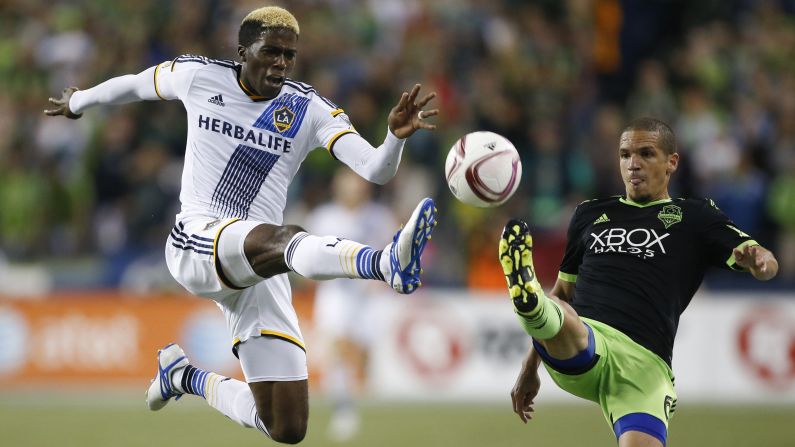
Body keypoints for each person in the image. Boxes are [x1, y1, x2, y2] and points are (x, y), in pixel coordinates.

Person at [44, 6, 438, 444]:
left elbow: (375, 170)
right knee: (285, 237)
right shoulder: (198, 75)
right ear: (241, 51)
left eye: (289, 55)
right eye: (270, 52)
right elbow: (135, 85)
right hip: (199, 239)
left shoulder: (306, 107)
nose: (281, 63)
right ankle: (384, 263)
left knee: (285, 426)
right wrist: (77, 102)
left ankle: (183, 377)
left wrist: (394, 139)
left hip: (258, 268)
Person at [500, 117, 778, 447]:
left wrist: (761, 263)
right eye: (625, 154)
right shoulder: (589, 213)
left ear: (672, 162)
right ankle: (531, 309)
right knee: (560, 314)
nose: (633, 164)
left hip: (645, 367)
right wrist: (529, 365)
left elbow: (764, 259)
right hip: (588, 342)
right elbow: (562, 293)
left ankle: (534, 310)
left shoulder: (696, 216)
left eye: (646, 154)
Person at [305, 168, 397, 442]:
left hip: (370, 295)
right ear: (338, 187)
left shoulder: (380, 217)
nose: (353, 189)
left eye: (358, 184)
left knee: (364, 355)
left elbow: (394, 251)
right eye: (347, 183)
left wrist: (383, 279)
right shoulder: (322, 217)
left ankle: (363, 399)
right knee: (336, 347)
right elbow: (308, 258)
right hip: (335, 291)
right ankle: (343, 410)